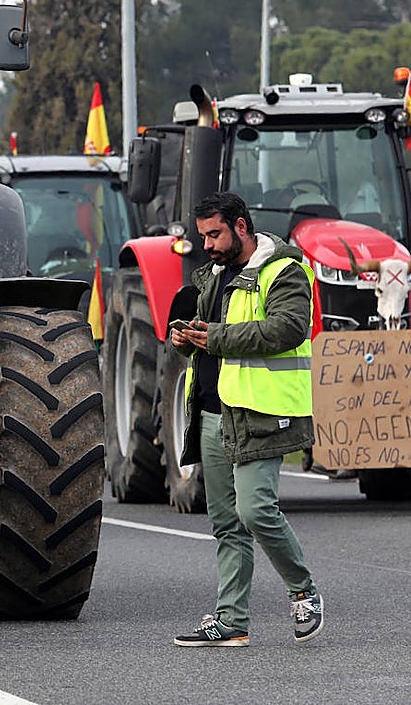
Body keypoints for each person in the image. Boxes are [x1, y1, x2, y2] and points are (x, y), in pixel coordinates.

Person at [170, 191, 324, 647]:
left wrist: (214, 336)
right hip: (216, 412)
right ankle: (232, 620)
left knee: (255, 509)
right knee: (226, 523)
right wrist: (188, 340)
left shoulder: (285, 270)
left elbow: (289, 328)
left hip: (262, 410)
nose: (207, 245)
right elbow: (209, 337)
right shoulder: (214, 275)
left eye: (214, 234)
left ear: (240, 226)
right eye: (202, 236)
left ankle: (304, 590)